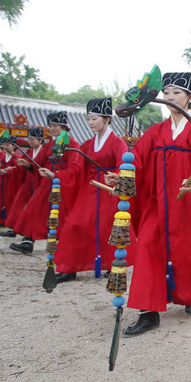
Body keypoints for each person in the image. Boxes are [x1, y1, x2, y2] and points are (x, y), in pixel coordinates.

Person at [122, 72, 191, 337]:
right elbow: (137, 159)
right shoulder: (157, 131)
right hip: (156, 203)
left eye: (177, 93)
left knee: (190, 250)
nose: (170, 97)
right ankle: (148, 312)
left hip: (188, 204)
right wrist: (124, 172)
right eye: (168, 92)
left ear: (190, 97)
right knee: (149, 246)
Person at [53, 98, 134, 284]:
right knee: (74, 224)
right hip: (90, 189)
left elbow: (126, 166)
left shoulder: (117, 143)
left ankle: (110, 262)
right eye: (88, 119)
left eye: (93, 118)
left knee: (108, 228)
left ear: (107, 119)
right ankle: (69, 267)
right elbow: (78, 168)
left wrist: (115, 176)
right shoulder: (88, 144)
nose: (89, 122)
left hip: (108, 189)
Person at [10, 112, 82, 255]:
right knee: (33, 208)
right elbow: (39, 165)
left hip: (62, 185)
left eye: (55, 126)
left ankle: (63, 244)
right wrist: (27, 165)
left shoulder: (73, 145)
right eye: (50, 126)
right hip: (45, 185)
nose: (52, 129)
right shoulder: (50, 145)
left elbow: (75, 168)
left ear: (64, 127)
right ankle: (28, 241)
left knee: (60, 215)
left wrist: (56, 175)